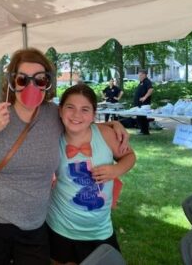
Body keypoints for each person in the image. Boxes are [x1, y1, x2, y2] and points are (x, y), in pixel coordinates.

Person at [0, 48, 129, 265]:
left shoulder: (52, 114)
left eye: (39, 80)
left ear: (47, 83)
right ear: (12, 82)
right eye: (22, 79)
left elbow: (78, 121)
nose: (31, 86)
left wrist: (113, 125)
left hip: (34, 224)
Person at [46, 84, 136, 264]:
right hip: (61, 225)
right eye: (70, 107)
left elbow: (129, 156)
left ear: (94, 114)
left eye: (85, 109)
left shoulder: (105, 134)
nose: (77, 115)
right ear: (60, 111)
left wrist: (115, 170)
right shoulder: (52, 138)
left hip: (100, 229)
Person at [134, 69, 153, 135]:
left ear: (145, 75)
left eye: (140, 75)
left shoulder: (147, 81)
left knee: (142, 118)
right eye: (139, 75)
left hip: (144, 104)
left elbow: (150, 90)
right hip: (140, 105)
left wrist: (144, 97)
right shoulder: (141, 82)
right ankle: (143, 131)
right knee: (140, 117)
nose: (139, 76)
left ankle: (145, 131)